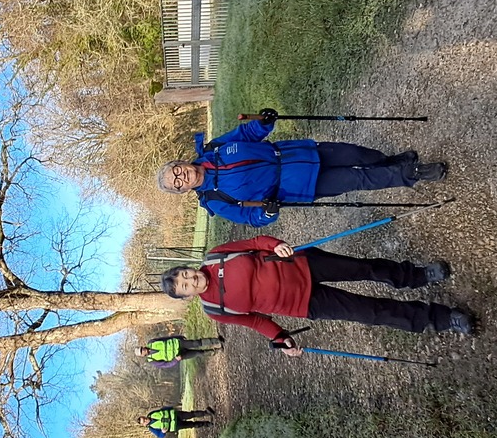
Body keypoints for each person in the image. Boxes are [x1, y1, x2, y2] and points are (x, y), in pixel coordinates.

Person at [160, 235, 474, 352]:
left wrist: (275, 245)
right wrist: (281, 339)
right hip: (305, 303)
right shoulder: (214, 310)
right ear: (187, 297)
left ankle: (419, 275)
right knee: (372, 312)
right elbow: (255, 321)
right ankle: (443, 318)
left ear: (188, 268)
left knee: (366, 269)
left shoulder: (216, 256)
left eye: (186, 274)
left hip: (304, 265)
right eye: (185, 286)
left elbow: (255, 243)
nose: (191, 280)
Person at [156, 108, 446, 226]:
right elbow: (251, 218)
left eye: (177, 170)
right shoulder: (216, 201)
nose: (182, 176)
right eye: (177, 183)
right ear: (182, 191)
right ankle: (412, 173)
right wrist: (268, 212)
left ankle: (393, 162)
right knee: (358, 180)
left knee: (358, 154)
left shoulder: (213, 149)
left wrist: (263, 123)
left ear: (181, 162)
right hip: (298, 186)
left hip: (298, 153)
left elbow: (245, 134)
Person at [135, 334, 224, 368]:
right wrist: (176, 360)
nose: (143, 350)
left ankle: (217, 340)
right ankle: (216, 351)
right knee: (198, 353)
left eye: (142, 349)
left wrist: (178, 337)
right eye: (142, 352)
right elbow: (166, 365)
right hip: (179, 355)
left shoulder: (151, 342)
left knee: (197, 343)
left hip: (179, 343)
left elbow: (165, 338)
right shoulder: (152, 361)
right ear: (142, 355)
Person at [138, 406, 216, 438]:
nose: (145, 419)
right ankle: (207, 424)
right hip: (175, 425)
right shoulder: (151, 428)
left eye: (144, 418)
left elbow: (162, 409)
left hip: (176, 415)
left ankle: (206, 412)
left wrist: (171, 408)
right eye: (144, 421)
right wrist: (162, 432)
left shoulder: (151, 413)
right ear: (144, 424)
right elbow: (160, 436)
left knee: (191, 414)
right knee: (191, 424)